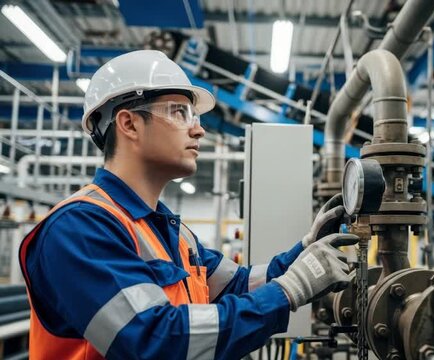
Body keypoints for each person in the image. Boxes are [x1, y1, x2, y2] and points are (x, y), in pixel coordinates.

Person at [18, 50, 357, 360]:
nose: (199, 130)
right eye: (180, 112)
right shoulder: (78, 228)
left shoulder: (171, 233)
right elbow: (155, 340)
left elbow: (239, 284)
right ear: (129, 124)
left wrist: (304, 250)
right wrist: (291, 289)